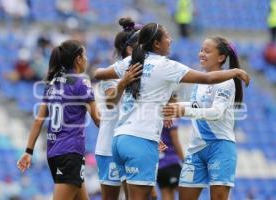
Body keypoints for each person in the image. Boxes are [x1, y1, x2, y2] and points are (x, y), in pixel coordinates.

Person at [93, 23, 250, 200]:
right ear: (157, 44)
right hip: (142, 141)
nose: (171, 39)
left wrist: (176, 107)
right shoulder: (167, 66)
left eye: (206, 51)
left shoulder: (132, 62)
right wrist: (235, 71)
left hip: (120, 140)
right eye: (167, 36)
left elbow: (98, 74)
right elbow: (207, 79)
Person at [162, 36, 245, 200]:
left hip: (220, 148)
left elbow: (216, 112)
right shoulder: (199, 82)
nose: (201, 54)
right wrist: (175, 108)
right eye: (201, 50)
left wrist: (184, 110)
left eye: (207, 51)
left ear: (221, 57)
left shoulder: (226, 81)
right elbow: (195, 105)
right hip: (196, 149)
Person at [17, 40, 100, 200]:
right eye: (85, 55)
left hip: (54, 153)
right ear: (78, 59)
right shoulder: (81, 82)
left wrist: (29, 151)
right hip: (70, 153)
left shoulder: (52, 84)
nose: (87, 59)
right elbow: (97, 119)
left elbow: (38, 121)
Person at [94, 17, 142, 200]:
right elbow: (110, 102)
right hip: (109, 146)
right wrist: (123, 82)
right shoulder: (110, 74)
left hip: (133, 145)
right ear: (130, 49)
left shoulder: (145, 74)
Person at [157, 117, 184, 200]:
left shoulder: (156, 115)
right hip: (171, 162)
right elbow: (175, 140)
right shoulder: (171, 116)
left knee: (166, 193)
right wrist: (183, 160)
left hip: (159, 164)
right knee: (186, 191)